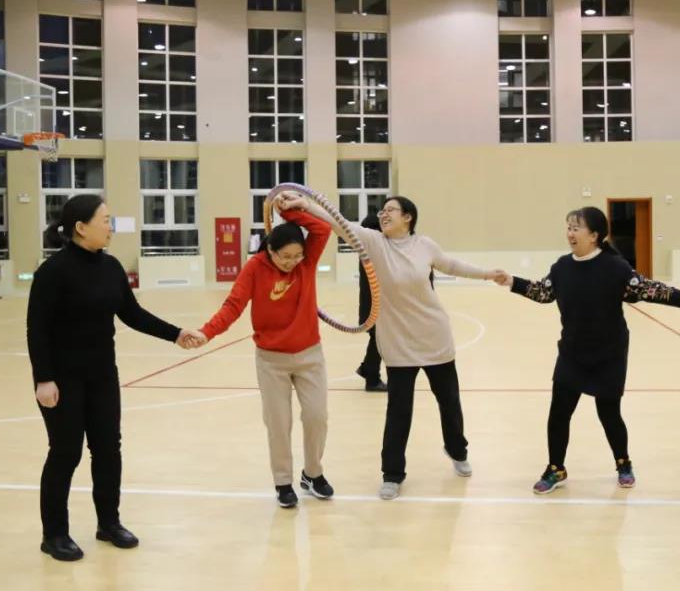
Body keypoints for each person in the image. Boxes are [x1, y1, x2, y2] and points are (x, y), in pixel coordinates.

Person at [28, 194, 202, 562]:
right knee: (66, 453)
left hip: (102, 375)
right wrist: (44, 379)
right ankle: (54, 533)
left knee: (108, 450)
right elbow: (37, 330)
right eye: (105, 220)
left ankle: (109, 523)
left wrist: (175, 334)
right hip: (62, 379)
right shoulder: (52, 272)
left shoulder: (110, 267)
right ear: (81, 227)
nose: (111, 226)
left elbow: (132, 313)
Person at [305, 195, 505, 500]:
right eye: (382, 211)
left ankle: (457, 450)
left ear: (408, 217)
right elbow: (339, 223)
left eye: (391, 210)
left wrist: (487, 274)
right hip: (398, 343)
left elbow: (451, 264)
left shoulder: (424, 245)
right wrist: (304, 204)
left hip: (434, 336)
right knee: (399, 411)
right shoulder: (374, 243)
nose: (383, 215)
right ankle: (392, 474)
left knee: (449, 402)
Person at [495, 207, 680, 494]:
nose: (570, 233)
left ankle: (623, 463)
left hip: (609, 354)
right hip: (572, 353)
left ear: (594, 235)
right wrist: (512, 282)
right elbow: (544, 292)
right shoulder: (561, 267)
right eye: (568, 227)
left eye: (576, 228)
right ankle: (556, 468)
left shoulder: (615, 268)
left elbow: (648, 289)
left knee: (609, 413)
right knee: (559, 413)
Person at [193, 193, 333, 509]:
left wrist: (289, 210)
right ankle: (283, 481)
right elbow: (233, 305)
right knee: (278, 423)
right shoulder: (255, 267)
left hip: (310, 355)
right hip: (272, 361)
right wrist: (206, 332)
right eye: (285, 257)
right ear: (270, 249)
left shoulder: (306, 262)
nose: (292, 262)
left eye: (297, 256)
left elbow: (323, 229)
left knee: (317, 417)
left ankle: (312, 474)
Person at [355, 213, 388, 392]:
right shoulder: (374, 253)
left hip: (372, 307)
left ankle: (368, 370)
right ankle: (371, 377)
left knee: (378, 340)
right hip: (375, 307)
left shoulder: (367, 252)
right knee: (379, 340)